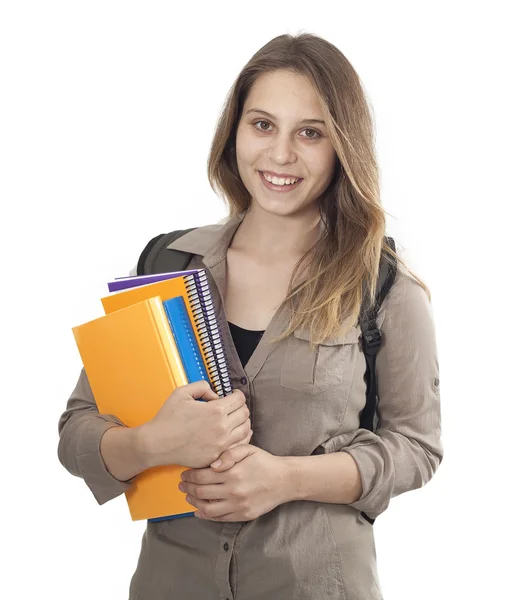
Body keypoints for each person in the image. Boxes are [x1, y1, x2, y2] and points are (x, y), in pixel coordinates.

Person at [57, 32, 443, 600]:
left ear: (343, 147)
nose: (280, 154)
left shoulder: (385, 288)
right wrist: (154, 444)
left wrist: (285, 480)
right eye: (262, 124)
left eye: (310, 133)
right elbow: (77, 432)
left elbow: (417, 447)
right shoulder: (167, 264)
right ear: (234, 132)